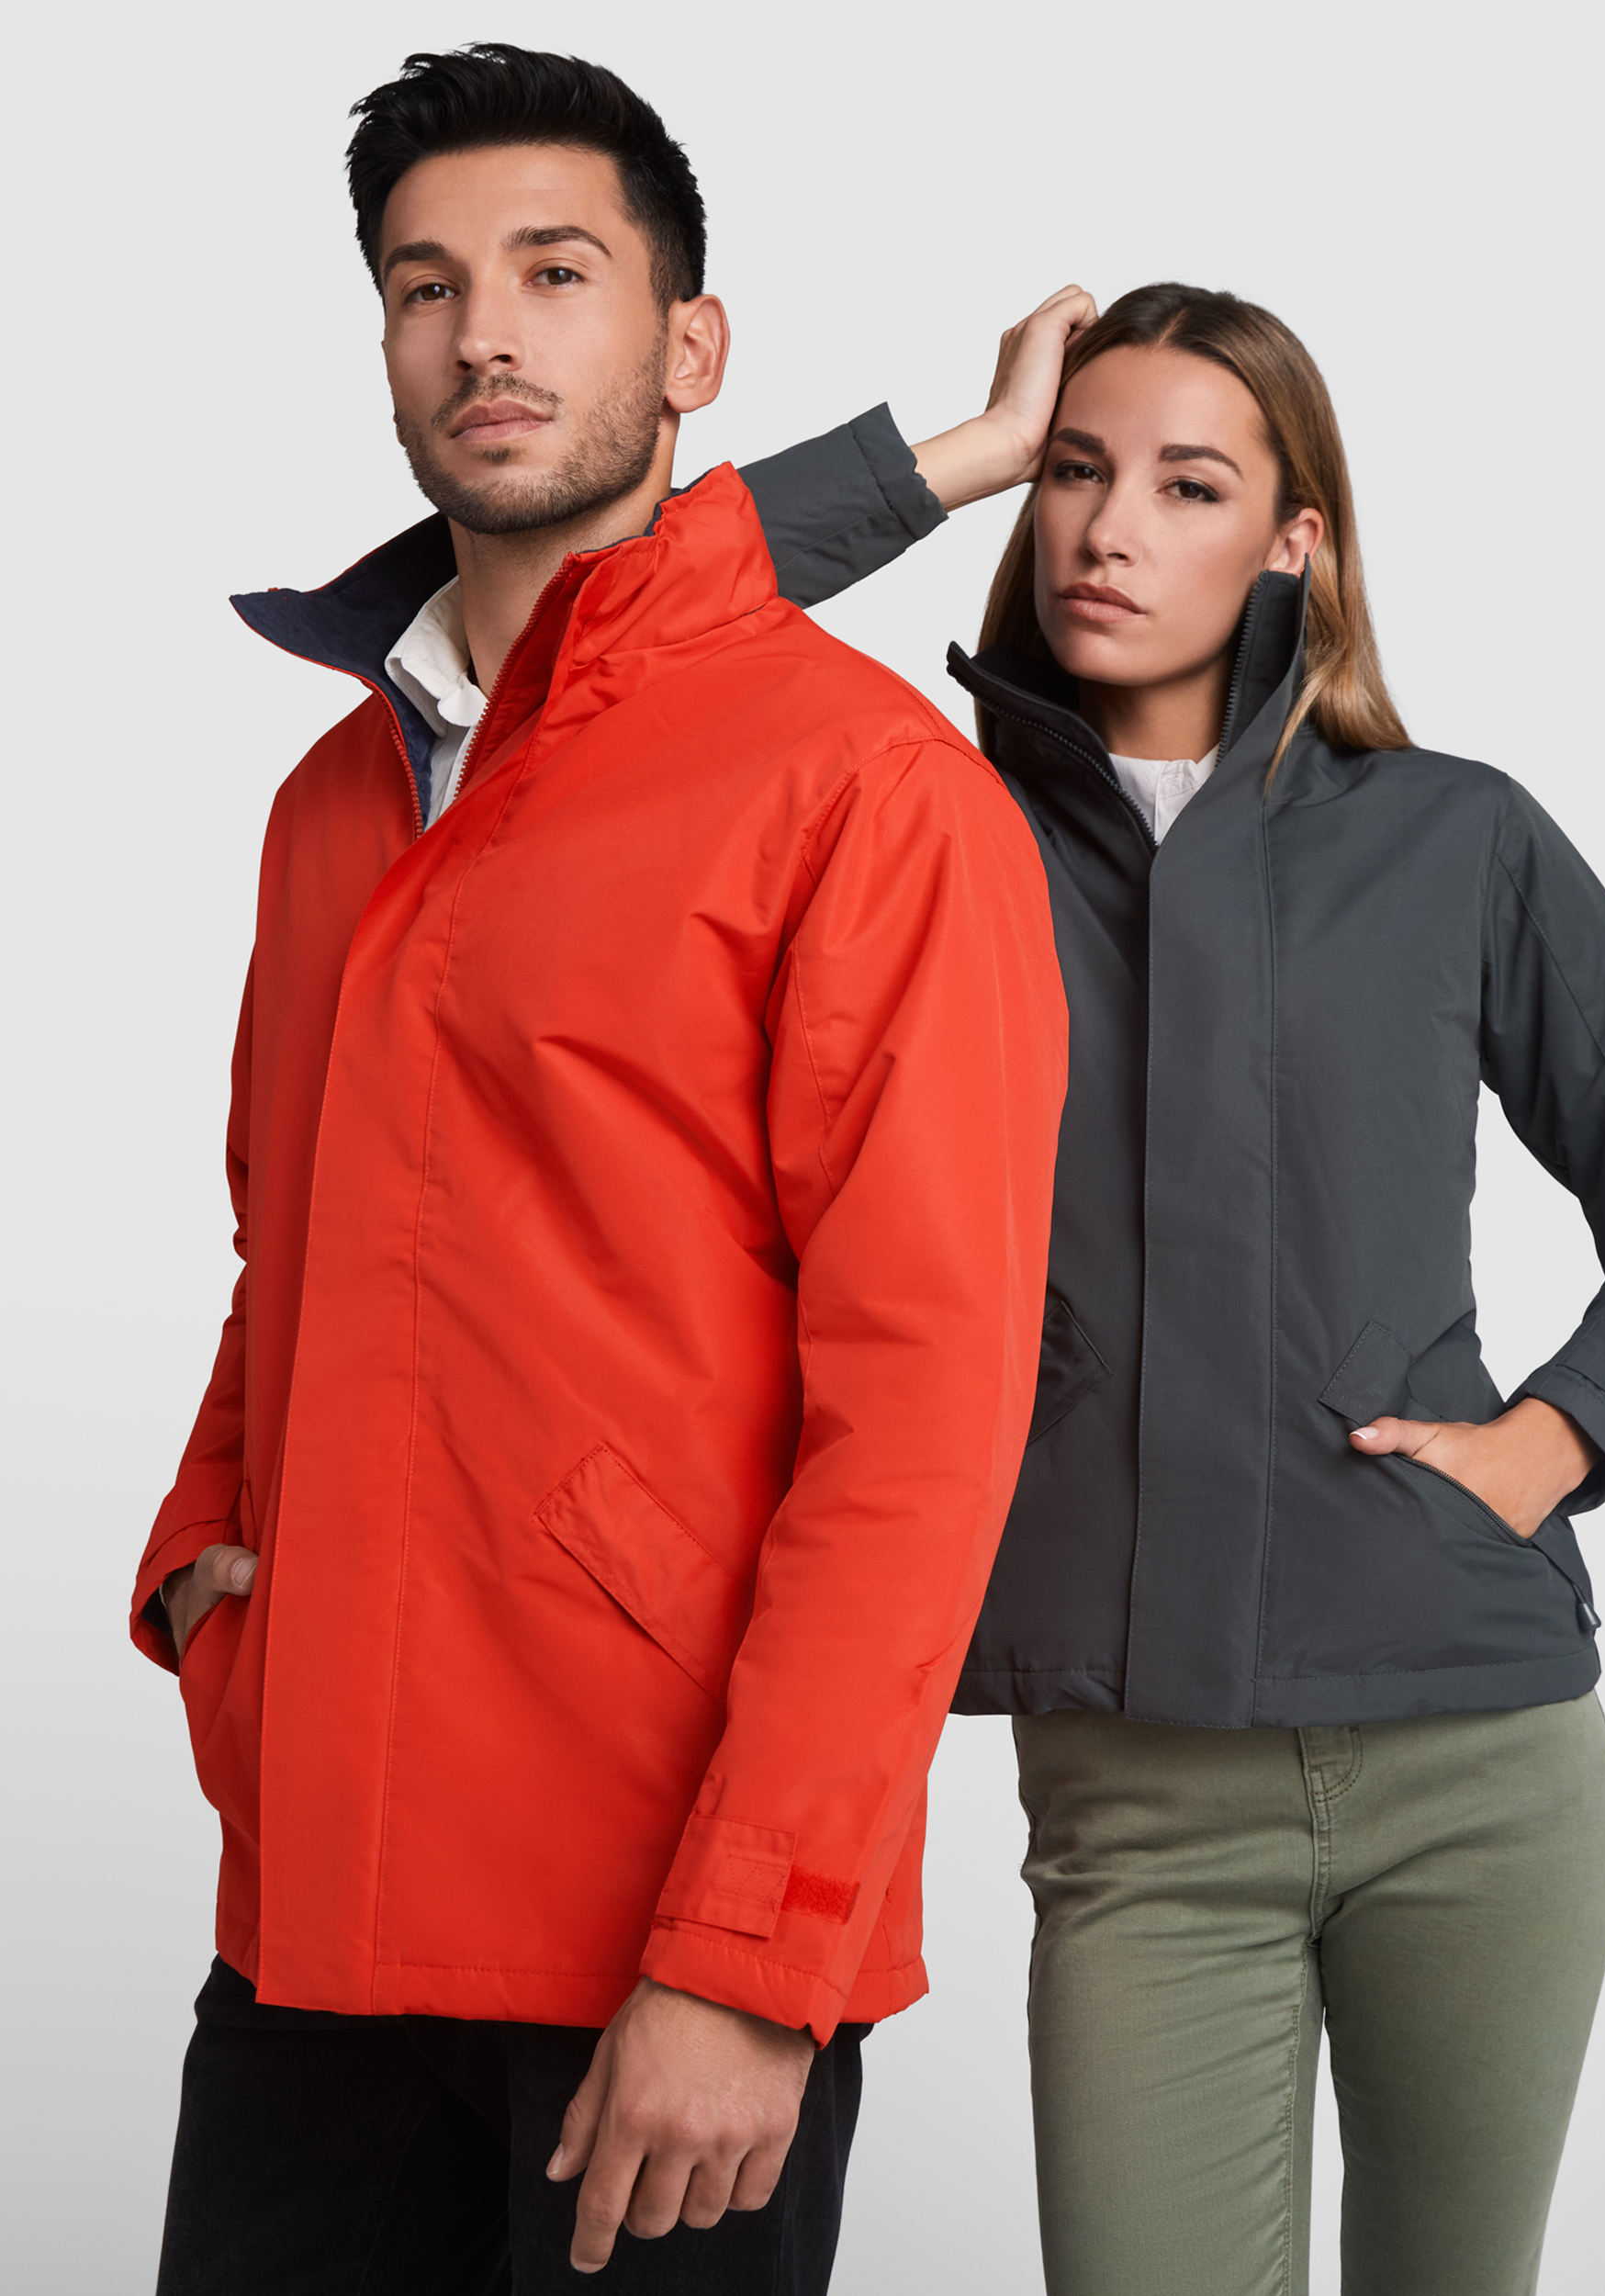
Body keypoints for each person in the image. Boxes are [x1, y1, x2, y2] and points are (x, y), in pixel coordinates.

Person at [130, 44, 1072, 2293]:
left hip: (657, 1936)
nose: (486, 333)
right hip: (311, 1919)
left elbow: (924, 1420)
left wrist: (756, 1948)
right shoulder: (331, 801)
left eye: (557, 273)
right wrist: (202, 1585)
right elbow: (286, 1257)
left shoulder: (867, 791)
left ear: (689, 346)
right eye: (425, 284)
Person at [762, 283, 1605, 2293]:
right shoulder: (925, 829)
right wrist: (950, 456)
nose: (1106, 528)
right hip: (1137, 1789)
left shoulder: (1453, 836)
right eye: (1072, 472)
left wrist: (1551, 1441)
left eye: (1188, 484)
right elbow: (609, 629)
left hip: (1481, 1749)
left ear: (1294, 539)